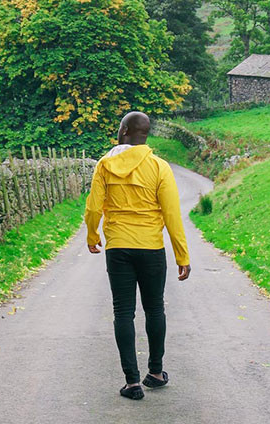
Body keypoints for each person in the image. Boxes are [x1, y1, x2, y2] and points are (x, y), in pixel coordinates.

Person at [85, 111, 191, 401]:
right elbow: (172, 215)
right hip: (151, 248)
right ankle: (155, 373)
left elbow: (94, 207)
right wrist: (182, 254)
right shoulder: (159, 167)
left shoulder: (105, 165)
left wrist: (93, 236)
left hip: (118, 246)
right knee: (155, 309)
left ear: (123, 132)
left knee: (123, 312)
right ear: (145, 135)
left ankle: (132, 383)